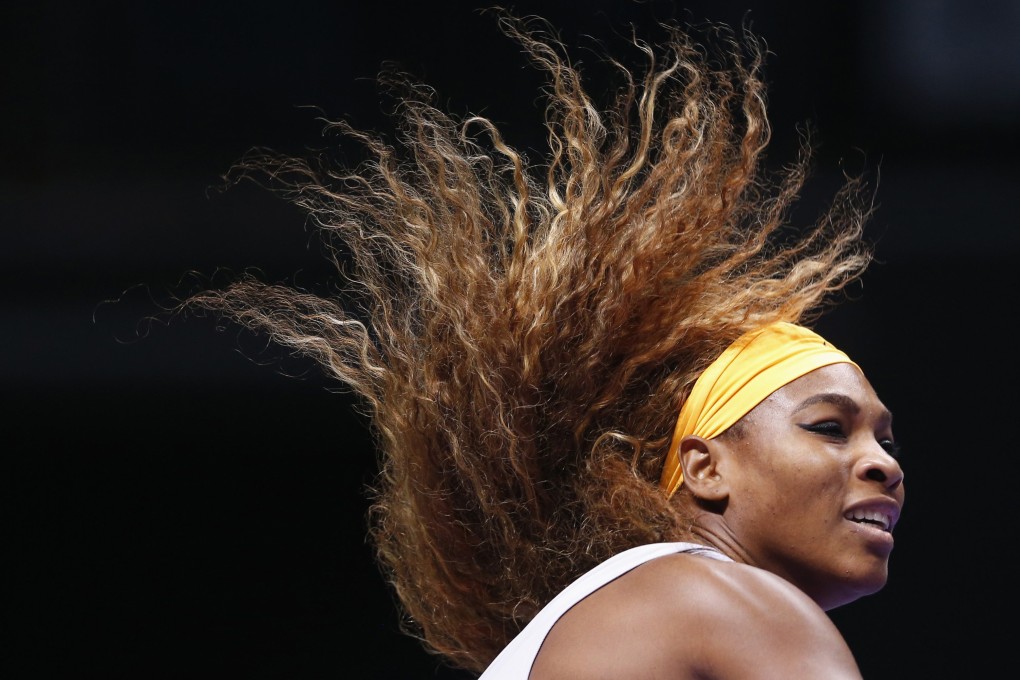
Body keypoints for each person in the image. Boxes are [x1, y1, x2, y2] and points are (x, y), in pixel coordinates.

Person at [180, 10, 903, 678]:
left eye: (886, 441)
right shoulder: (721, 602)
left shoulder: (603, 624)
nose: (883, 466)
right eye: (829, 428)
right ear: (705, 468)